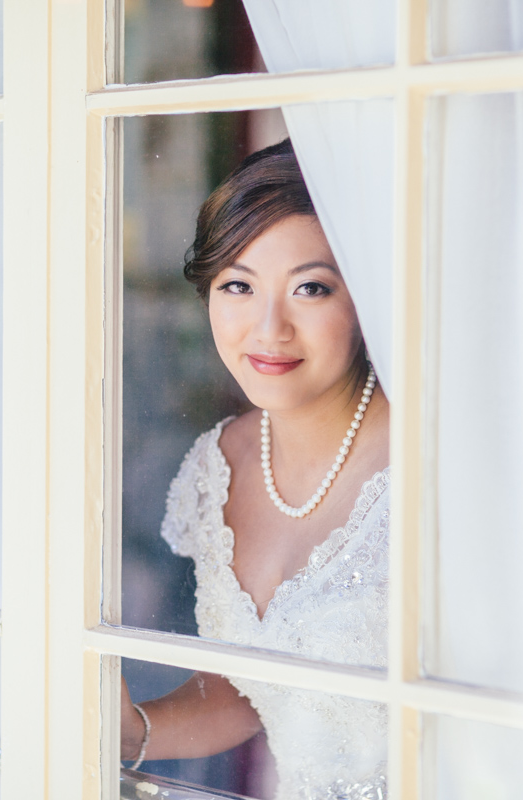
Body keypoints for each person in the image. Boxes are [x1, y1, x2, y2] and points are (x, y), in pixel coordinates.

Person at [120, 139, 391, 800]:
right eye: (238, 285)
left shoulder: (433, 462)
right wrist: (135, 731)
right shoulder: (222, 464)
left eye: (311, 288)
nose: (269, 328)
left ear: (366, 297)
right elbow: (252, 684)